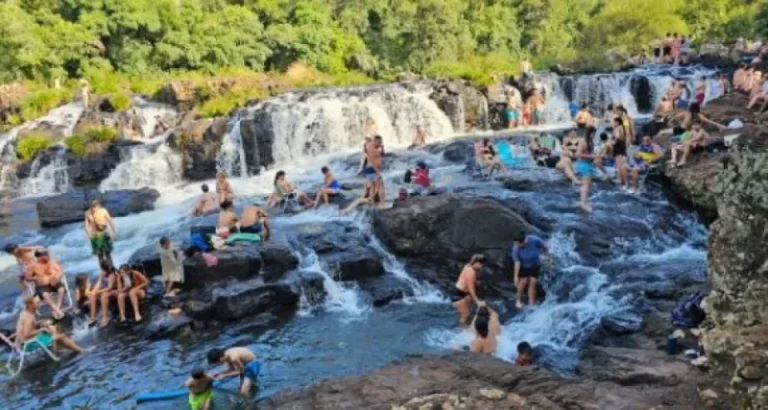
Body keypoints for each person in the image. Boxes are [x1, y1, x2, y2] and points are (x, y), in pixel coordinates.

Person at [16, 297, 83, 354]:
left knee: (53, 330)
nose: (40, 304)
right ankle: (81, 350)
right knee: (61, 336)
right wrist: (41, 330)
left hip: (23, 344)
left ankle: (58, 350)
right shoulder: (28, 317)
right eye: (37, 303)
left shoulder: (25, 312)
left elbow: (28, 327)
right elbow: (26, 334)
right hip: (29, 345)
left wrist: (39, 323)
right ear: (30, 305)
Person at [512, 234, 548, 309]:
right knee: (523, 281)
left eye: (518, 243)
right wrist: (516, 277)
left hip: (535, 265)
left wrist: (547, 257)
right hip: (523, 266)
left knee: (533, 283)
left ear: (524, 241)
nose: (516, 245)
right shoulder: (516, 249)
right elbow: (517, 262)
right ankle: (518, 301)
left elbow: (544, 247)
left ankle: (531, 303)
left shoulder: (534, 240)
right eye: (515, 243)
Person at [30, 250, 67, 319]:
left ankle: (56, 309)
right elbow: (27, 277)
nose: (48, 255)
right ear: (39, 257)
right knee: (45, 295)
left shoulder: (52, 262)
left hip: (54, 283)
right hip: (42, 286)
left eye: (47, 254)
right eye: (45, 254)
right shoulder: (33, 266)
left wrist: (57, 277)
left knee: (61, 289)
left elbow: (61, 271)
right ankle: (59, 312)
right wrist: (35, 278)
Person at [452, 254, 484, 325]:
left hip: (463, 292)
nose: (482, 266)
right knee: (465, 315)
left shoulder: (468, 265)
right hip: (458, 294)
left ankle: (467, 321)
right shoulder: (471, 273)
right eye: (481, 265)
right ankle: (460, 330)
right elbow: (471, 289)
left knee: (469, 306)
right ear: (476, 263)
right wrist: (477, 301)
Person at [84, 199, 116, 265]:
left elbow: (110, 221)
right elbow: (86, 226)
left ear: (99, 206)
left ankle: (111, 267)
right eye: (92, 207)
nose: (94, 208)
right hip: (95, 235)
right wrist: (89, 235)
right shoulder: (88, 213)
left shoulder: (103, 211)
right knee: (99, 254)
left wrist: (113, 232)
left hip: (104, 233)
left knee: (107, 252)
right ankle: (103, 270)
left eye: (95, 206)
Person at [87, 262, 118, 327]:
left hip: (115, 290)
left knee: (104, 295)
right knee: (92, 295)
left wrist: (99, 291)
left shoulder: (112, 274)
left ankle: (105, 317)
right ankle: (93, 317)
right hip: (106, 290)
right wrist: (93, 291)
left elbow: (110, 287)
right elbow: (99, 283)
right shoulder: (103, 273)